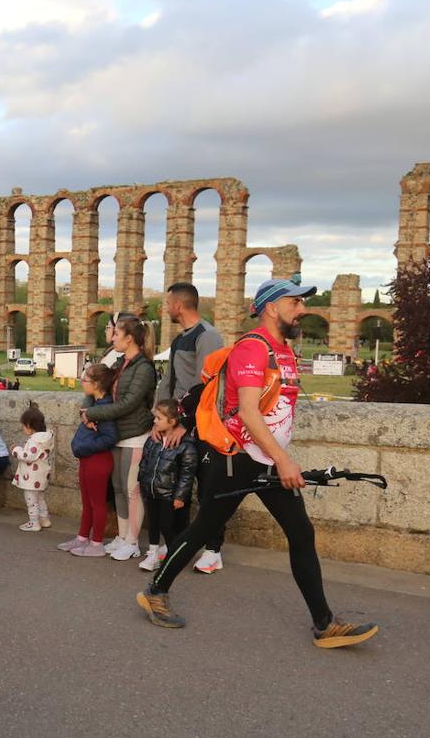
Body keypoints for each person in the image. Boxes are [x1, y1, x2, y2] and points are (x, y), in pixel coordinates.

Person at [138, 278, 380, 649]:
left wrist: (277, 456)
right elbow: (250, 414)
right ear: (271, 307)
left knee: (301, 533)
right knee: (204, 530)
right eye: (295, 303)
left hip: (263, 458)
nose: (303, 309)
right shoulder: (253, 349)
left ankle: (324, 624)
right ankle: (156, 590)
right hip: (235, 460)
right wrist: (284, 460)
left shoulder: (283, 350)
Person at [156, 282, 226, 574]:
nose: (165, 307)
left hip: (202, 428)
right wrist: (157, 416)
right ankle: (179, 545)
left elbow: (207, 386)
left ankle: (213, 551)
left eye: (167, 302)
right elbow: (168, 381)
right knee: (177, 488)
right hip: (178, 425)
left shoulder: (207, 336)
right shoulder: (180, 338)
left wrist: (184, 423)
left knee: (208, 489)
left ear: (179, 304)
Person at [84, 316, 156, 561]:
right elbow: (98, 387)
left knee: (131, 489)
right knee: (117, 488)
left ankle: (133, 541)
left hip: (135, 434)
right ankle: (123, 536)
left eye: (116, 334)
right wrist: (88, 408)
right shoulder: (120, 362)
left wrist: (93, 413)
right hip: (118, 433)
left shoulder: (144, 368)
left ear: (129, 338)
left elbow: (128, 404)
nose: (112, 337)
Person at [63, 363, 119, 554]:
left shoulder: (104, 408)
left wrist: (85, 447)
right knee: (87, 502)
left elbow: (110, 437)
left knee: (97, 503)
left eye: (85, 378)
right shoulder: (94, 404)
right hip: (88, 459)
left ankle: (97, 543)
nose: (82, 381)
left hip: (97, 461)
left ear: (95, 384)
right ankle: (82, 537)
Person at [136, 399, 197, 571]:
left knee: (167, 525)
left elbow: (187, 474)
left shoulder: (185, 445)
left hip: (169, 494)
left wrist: (180, 496)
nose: (154, 422)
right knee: (153, 524)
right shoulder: (153, 439)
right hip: (152, 490)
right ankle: (153, 553)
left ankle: (173, 556)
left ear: (172, 422)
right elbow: (145, 461)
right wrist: (143, 482)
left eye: (159, 419)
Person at [10, 405, 53, 532]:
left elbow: (28, 456)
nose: (23, 429)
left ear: (29, 425)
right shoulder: (46, 438)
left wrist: (16, 450)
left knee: (31, 500)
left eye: (23, 426)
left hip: (31, 477)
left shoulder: (35, 441)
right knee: (40, 498)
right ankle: (44, 519)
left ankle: (34, 522)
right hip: (41, 475)